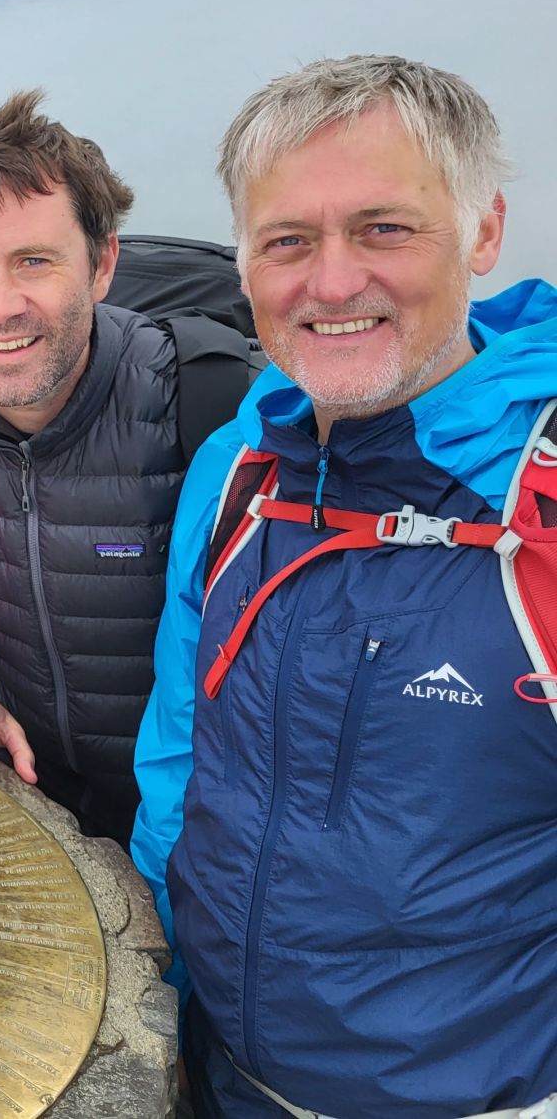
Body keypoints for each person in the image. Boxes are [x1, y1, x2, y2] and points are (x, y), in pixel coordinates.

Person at [132, 55, 557, 1116]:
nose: (330, 283)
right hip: (224, 1077)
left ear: (485, 234)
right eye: (288, 242)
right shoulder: (240, 472)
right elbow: (179, 764)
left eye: (383, 228)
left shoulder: (535, 520)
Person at [0, 91, 243, 846]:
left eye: (34, 260)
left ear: (102, 265)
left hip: (205, 813)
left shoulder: (211, 404)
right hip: (30, 795)